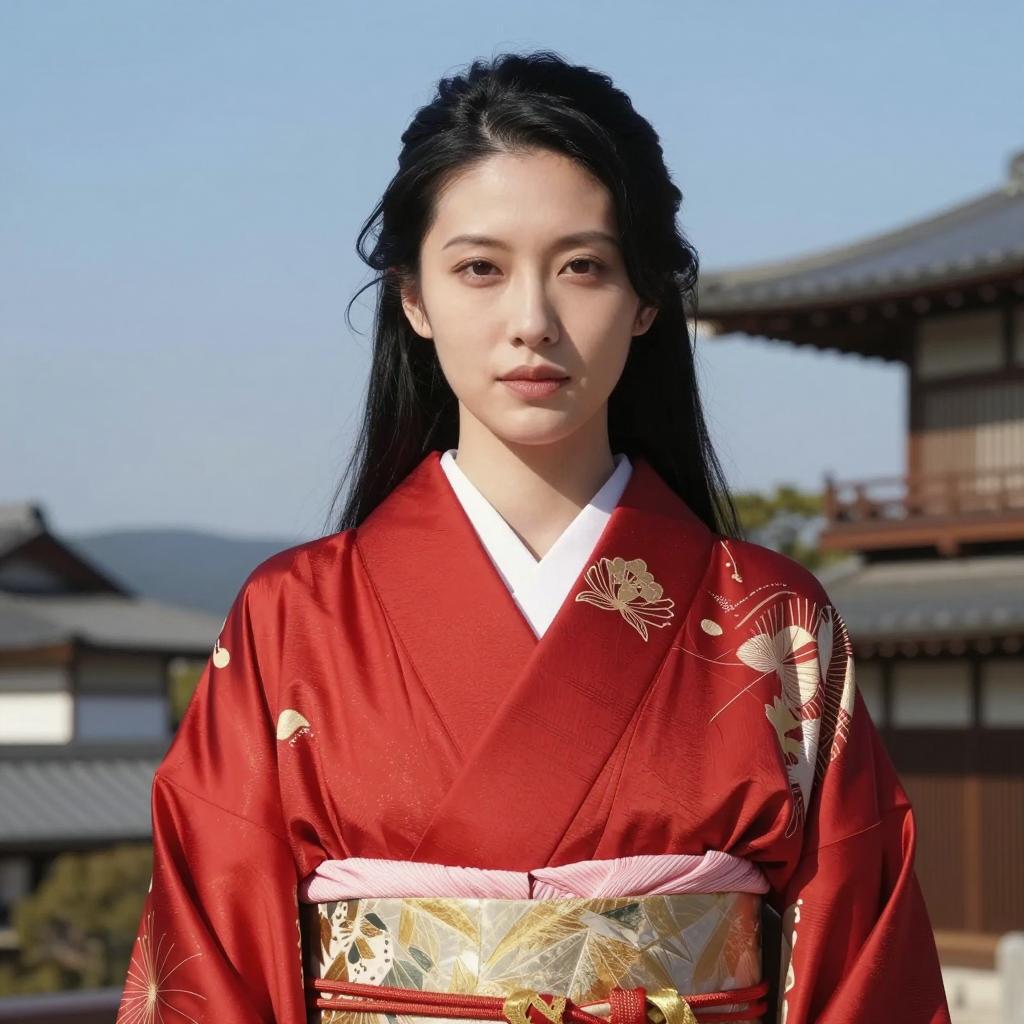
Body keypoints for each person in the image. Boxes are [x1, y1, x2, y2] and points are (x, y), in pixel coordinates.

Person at [115, 50, 951, 1024]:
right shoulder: (291, 617)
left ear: (646, 297)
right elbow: (211, 963)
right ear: (413, 297)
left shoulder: (773, 620)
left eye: (582, 267)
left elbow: (862, 966)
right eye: (480, 268)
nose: (532, 321)